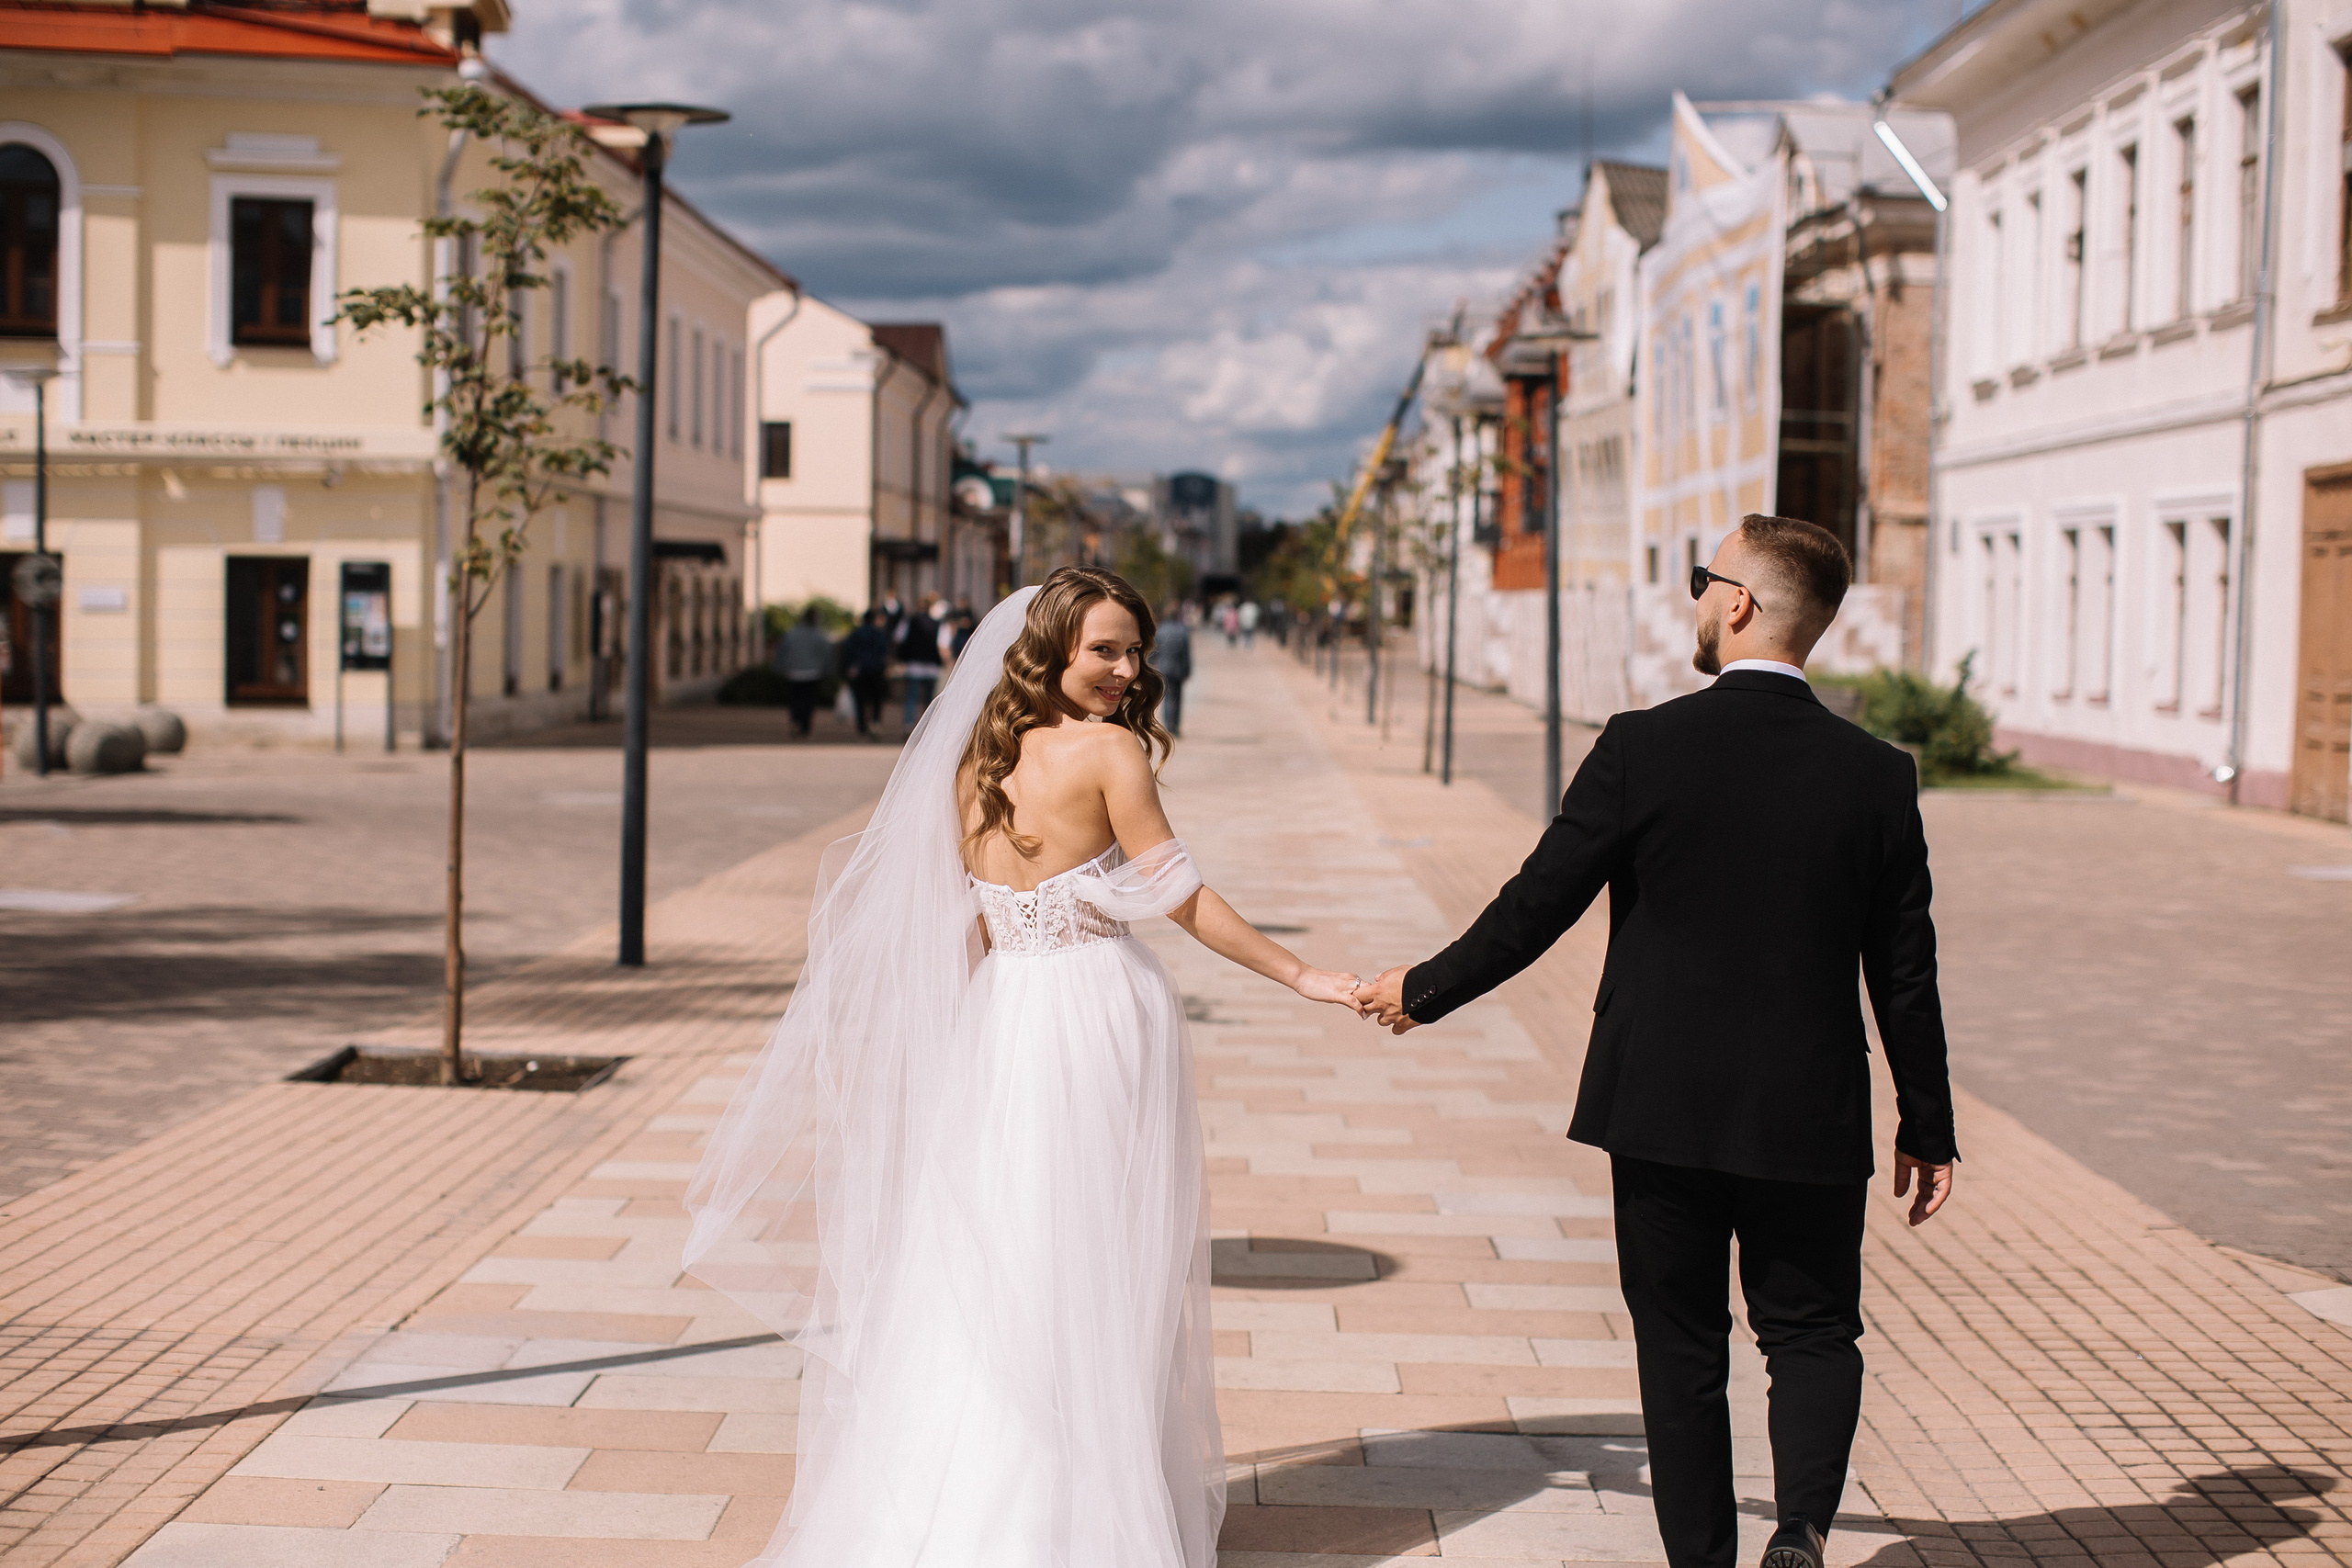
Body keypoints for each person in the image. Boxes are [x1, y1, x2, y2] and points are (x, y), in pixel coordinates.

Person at [684, 567, 1365, 1566]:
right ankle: (1077, 1511)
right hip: (1091, 1011)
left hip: (1000, 1016)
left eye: (1135, 649)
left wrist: (943, 1042)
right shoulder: (1110, 753)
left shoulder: (971, 759)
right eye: (1105, 649)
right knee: (1095, 1253)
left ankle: (957, 1497)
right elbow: (1178, 895)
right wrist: (1301, 973)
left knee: (996, 1247)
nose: (1127, 670)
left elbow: (960, 923)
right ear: (1049, 648)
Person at [1356, 513, 1958, 1568]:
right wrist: (1928, 1124)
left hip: (1661, 1100)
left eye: (1700, 578)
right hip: (1806, 1108)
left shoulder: (1643, 746)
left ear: (1737, 603)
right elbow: (1902, 967)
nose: (1692, 597)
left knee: (1681, 1346)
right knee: (1812, 1331)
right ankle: (1802, 1533)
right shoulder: (1877, 773)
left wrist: (1426, 988)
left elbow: (1535, 904)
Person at [772, 605, 834, 739]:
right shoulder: (820, 636)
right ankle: (805, 726)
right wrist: (828, 671)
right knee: (809, 701)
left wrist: (779, 668)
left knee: (795, 700)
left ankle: (795, 722)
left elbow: (781, 652)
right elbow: (827, 655)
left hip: (793, 673)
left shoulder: (792, 634)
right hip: (813, 673)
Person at [842, 607, 892, 739]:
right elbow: (884, 651)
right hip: (876, 669)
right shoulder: (880, 633)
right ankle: (875, 722)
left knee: (860, 700)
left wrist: (849, 668)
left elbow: (848, 652)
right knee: (877, 699)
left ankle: (862, 727)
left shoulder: (855, 634)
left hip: (859, 670)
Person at [897, 599, 944, 727]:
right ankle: (928, 725)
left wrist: (901, 657)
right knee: (929, 699)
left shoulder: (909, 621)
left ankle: (909, 723)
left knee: (911, 697)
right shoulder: (937, 623)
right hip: (932, 664)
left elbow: (899, 639)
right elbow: (942, 644)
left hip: (914, 664)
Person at [1151, 599, 1193, 738]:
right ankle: (1175, 727)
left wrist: (1151, 664)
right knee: (1178, 698)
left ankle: (1168, 725)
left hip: (1164, 668)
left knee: (1167, 698)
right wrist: (1188, 670)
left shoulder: (1160, 631)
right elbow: (1186, 654)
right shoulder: (1183, 631)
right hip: (1178, 669)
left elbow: (1154, 651)